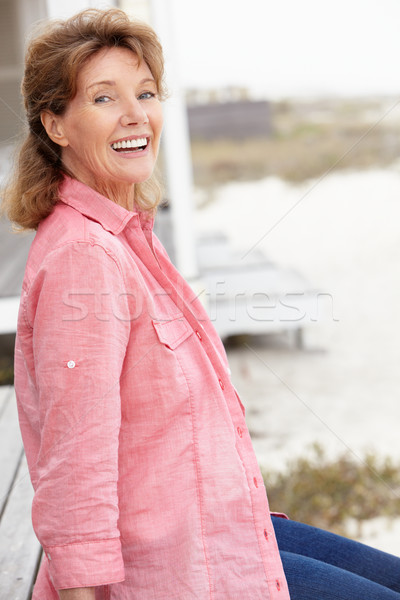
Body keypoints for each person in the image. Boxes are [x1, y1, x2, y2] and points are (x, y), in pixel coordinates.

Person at [2, 8, 400, 600]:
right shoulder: (85, 257)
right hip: (179, 569)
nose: (136, 114)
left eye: (146, 92)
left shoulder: (127, 235)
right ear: (56, 124)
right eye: (105, 98)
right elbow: (74, 466)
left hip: (224, 525)